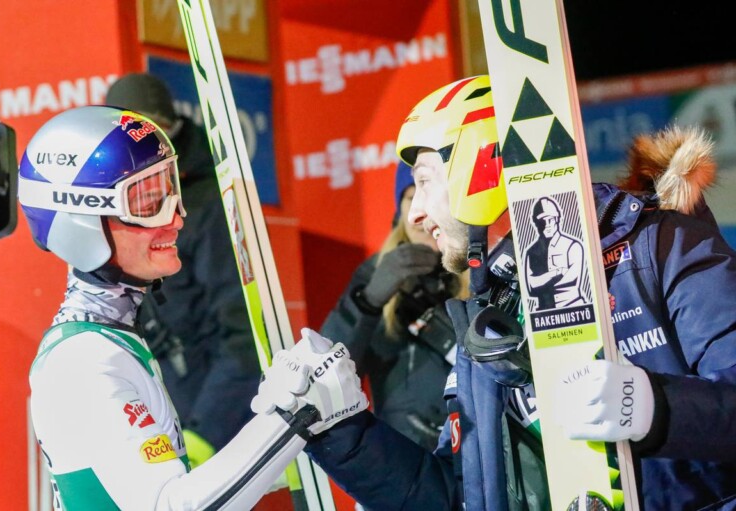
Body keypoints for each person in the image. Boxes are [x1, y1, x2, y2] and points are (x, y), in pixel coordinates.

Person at [253, 75, 736, 511]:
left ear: (480, 171)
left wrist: (654, 407)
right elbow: (460, 498)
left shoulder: (658, 245)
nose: (416, 213)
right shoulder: (485, 320)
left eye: (423, 183)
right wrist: (342, 433)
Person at [18, 105, 369, 509]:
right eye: (147, 202)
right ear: (81, 221)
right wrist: (295, 417)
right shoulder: (81, 362)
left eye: (170, 189)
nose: (177, 217)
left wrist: (281, 437)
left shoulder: (111, 343)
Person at [105, 72, 261, 468]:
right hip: (147, 423)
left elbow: (245, 337)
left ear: (168, 132)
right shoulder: (112, 205)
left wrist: (204, 436)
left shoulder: (207, 204)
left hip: (209, 429)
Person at [320, 161, 465, 452]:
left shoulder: (482, 268)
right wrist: (369, 300)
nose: (420, 214)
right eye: (411, 197)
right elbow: (328, 375)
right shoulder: (375, 273)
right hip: (407, 458)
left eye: (430, 193)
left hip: (475, 448)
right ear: (401, 210)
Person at [523, 196, 586, 310]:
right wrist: (557, 272)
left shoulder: (573, 246)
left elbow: (570, 280)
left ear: (557, 219)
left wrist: (541, 281)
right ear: (536, 222)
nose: (547, 224)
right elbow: (531, 288)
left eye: (550, 219)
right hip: (544, 314)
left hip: (574, 308)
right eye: (542, 220)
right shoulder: (530, 252)